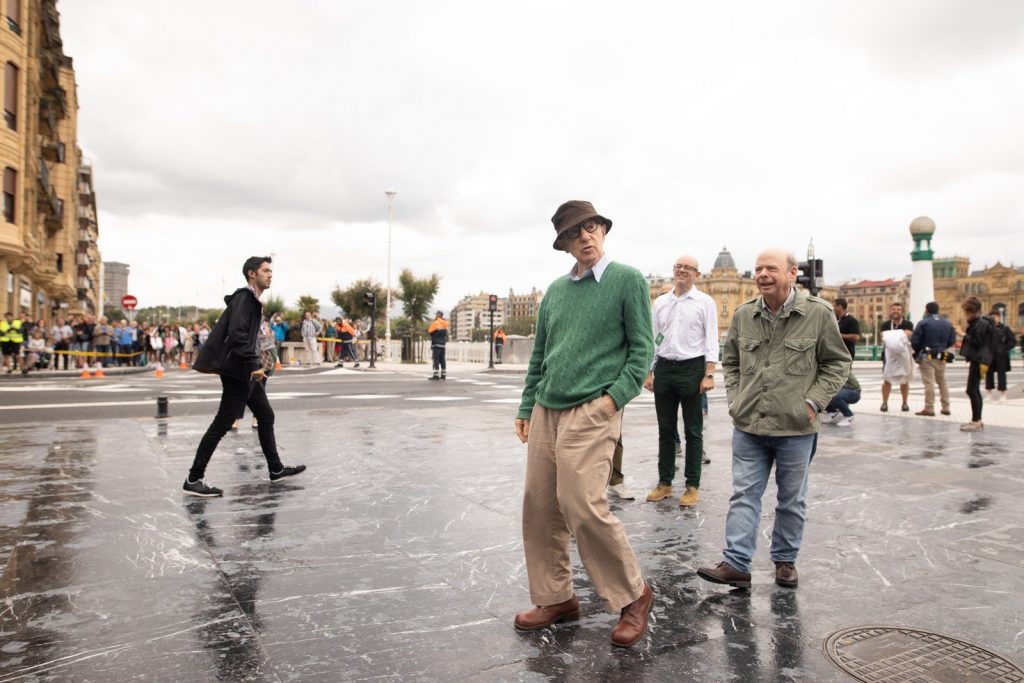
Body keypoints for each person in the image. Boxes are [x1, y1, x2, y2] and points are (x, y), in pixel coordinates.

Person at [513, 200, 654, 648]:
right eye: (576, 234)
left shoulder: (627, 280)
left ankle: (634, 595)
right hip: (546, 409)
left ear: (603, 231)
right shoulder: (555, 291)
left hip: (593, 408)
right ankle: (556, 597)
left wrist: (613, 401)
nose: (586, 238)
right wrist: (525, 406)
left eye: (591, 228)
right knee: (539, 506)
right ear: (565, 245)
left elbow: (642, 349)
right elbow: (541, 354)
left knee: (582, 503)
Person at [697, 248, 849, 591]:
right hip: (749, 423)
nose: (762, 274)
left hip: (796, 426)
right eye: (758, 269)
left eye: (770, 268)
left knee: (791, 498)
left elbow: (838, 363)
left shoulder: (818, 313)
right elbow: (731, 361)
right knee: (744, 494)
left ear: (792, 273)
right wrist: (736, 398)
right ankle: (736, 563)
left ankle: (784, 560)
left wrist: (814, 401)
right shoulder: (743, 314)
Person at [183, 256, 305, 497]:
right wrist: (252, 363)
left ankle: (275, 468)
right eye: (266, 271)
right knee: (222, 423)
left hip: (245, 370)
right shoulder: (245, 298)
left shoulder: (253, 301)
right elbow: (237, 333)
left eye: (271, 271)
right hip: (239, 370)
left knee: (265, 415)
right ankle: (193, 478)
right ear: (252, 274)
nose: (271, 275)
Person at [644, 254, 718, 509]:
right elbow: (654, 337)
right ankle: (665, 482)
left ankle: (692, 485)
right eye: (678, 266)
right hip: (664, 367)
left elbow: (711, 338)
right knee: (665, 430)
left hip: (692, 368)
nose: (682, 270)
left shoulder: (704, 302)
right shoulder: (661, 302)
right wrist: (648, 371)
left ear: (697, 274)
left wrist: (709, 373)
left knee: (693, 431)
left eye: (688, 268)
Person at [910, 302, 957, 417]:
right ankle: (946, 407)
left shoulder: (923, 322)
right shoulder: (947, 323)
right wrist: (943, 347)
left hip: (927, 355)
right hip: (942, 355)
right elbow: (952, 339)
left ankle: (929, 408)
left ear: (926, 310)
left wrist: (918, 350)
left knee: (929, 382)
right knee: (942, 381)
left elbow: (915, 341)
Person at [957, 297, 993, 432]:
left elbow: (977, 341)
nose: (965, 314)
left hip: (980, 359)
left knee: (972, 389)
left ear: (971, 311)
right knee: (973, 389)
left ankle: (976, 421)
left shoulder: (981, 323)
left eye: (966, 311)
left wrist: (962, 334)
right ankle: (977, 420)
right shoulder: (980, 322)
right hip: (979, 358)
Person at [879, 302, 914, 412]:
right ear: (890, 311)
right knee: (887, 379)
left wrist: (892, 335)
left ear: (902, 311)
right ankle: (884, 403)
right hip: (888, 356)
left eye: (898, 309)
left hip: (904, 356)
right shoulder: (885, 324)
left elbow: (908, 334)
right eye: (894, 309)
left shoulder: (908, 324)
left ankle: (904, 403)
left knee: (904, 380)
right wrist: (899, 335)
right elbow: (883, 336)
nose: (896, 311)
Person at [985, 310, 1015, 402]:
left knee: (1001, 375)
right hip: (989, 355)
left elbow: (1012, 341)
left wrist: (1004, 348)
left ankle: (1003, 394)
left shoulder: (1005, 328)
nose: (994, 319)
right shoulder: (986, 329)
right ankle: (989, 394)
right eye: (992, 317)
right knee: (988, 374)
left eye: (996, 317)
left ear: (999, 317)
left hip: (1001, 356)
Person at [427, 311, 449, 380]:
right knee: (442, 360)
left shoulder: (436, 323)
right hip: (443, 344)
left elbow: (430, 332)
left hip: (436, 344)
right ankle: (443, 375)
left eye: (436, 314)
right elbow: (445, 333)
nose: (435, 315)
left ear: (439, 315)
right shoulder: (445, 323)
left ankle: (436, 375)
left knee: (436, 359)